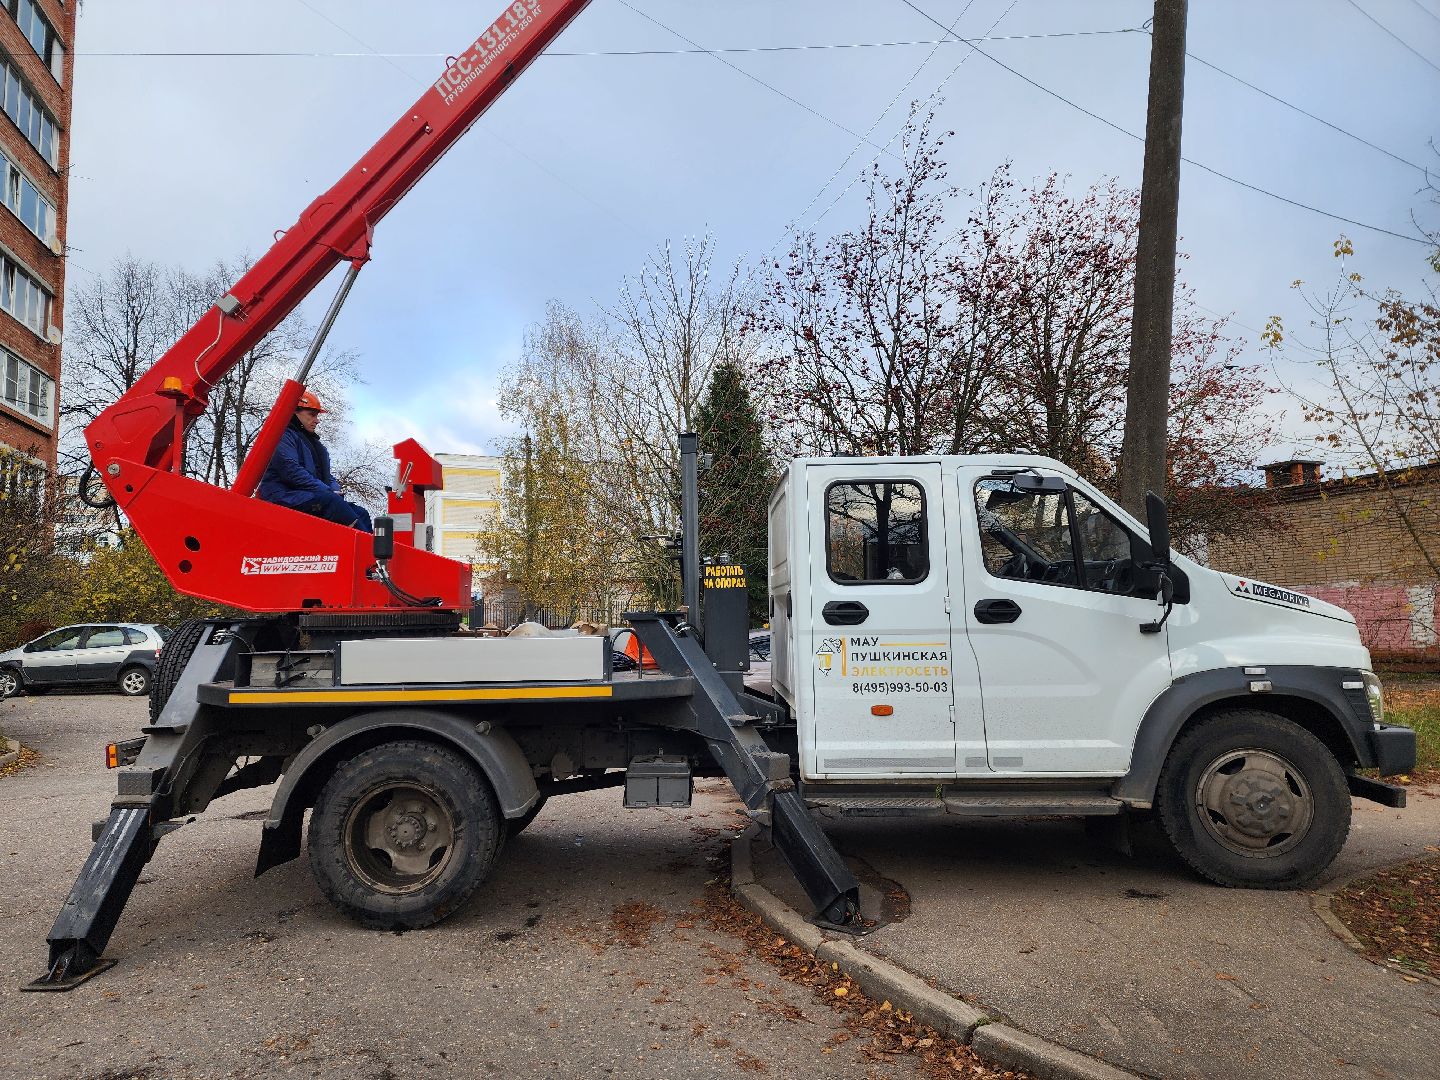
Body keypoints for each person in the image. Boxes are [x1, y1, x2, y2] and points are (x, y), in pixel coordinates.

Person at [257, 389, 373, 531]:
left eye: (317, 415)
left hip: (307, 495)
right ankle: (363, 550)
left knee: (361, 513)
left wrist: (334, 489)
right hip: (282, 496)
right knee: (334, 504)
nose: (317, 420)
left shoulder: (314, 445)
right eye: (311, 415)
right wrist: (327, 491)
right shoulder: (283, 436)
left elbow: (327, 476)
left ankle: (373, 550)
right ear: (295, 412)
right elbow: (291, 470)